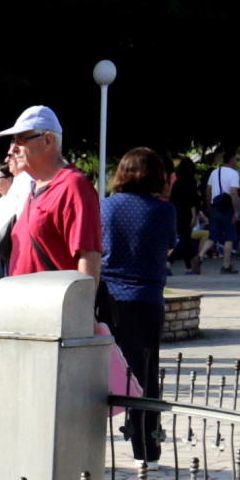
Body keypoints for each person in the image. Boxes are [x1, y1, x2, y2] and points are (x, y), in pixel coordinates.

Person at [100, 148, 174, 463]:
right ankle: (146, 448)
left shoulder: (105, 207)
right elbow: (170, 247)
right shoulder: (163, 210)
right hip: (145, 298)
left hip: (110, 298)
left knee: (101, 372)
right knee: (146, 375)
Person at [0, 105, 104, 284]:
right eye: (13, 141)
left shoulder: (73, 186)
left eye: (20, 140)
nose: (12, 149)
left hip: (54, 309)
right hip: (25, 307)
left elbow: (89, 256)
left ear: (48, 140)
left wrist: (81, 307)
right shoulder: (34, 188)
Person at [201, 149, 240, 274]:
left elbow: (207, 191)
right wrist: (235, 210)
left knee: (213, 235)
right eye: (236, 159)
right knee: (229, 237)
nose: (237, 162)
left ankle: (200, 256)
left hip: (215, 206)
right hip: (227, 207)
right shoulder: (234, 173)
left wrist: (209, 206)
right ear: (231, 160)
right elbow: (234, 193)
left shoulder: (214, 172)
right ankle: (226, 265)